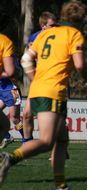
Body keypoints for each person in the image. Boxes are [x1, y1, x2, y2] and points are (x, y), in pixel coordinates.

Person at [0, 0, 87, 190]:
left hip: (39, 87)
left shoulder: (46, 33)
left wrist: (35, 77)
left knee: (61, 140)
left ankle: (61, 186)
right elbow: (80, 65)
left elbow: (25, 59)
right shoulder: (74, 34)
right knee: (47, 141)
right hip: (53, 90)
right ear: (80, 19)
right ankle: (10, 158)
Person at [22, 11, 57, 144]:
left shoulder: (59, 38)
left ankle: (59, 146)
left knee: (53, 117)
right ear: (43, 26)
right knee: (26, 115)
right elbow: (26, 58)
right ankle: (27, 144)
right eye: (51, 25)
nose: (55, 28)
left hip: (53, 82)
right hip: (38, 82)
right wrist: (33, 74)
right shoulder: (34, 38)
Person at [0, 54, 25, 149]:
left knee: (15, 119)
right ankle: (7, 137)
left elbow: (15, 72)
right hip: (2, 91)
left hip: (12, 90)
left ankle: (26, 139)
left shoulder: (9, 56)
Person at [0, 32, 15, 146]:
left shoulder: (4, 41)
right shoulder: (4, 41)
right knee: (6, 123)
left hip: (10, 90)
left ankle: (26, 141)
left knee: (14, 119)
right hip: (4, 88)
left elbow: (10, 72)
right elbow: (10, 71)